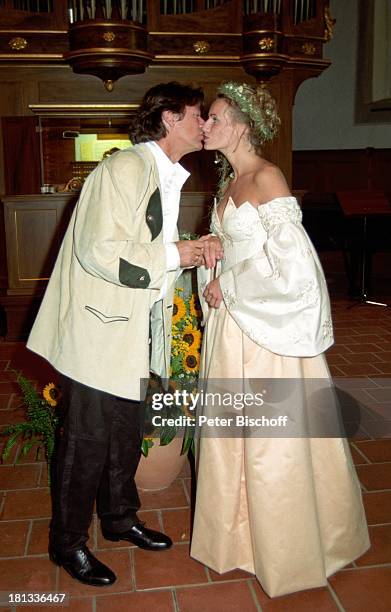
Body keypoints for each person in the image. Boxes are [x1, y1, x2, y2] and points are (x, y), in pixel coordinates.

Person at [27, 81, 212, 587]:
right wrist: (180, 254)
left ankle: (118, 517)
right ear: (170, 118)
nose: (205, 125)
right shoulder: (124, 168)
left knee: (126, 434)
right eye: (199, 115)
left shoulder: (162, 173)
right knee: (86, 441)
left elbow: (149, 246)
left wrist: (191, 253)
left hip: (132, 328)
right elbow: (101, 249)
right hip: (99, 329)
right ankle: (67, 543)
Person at [190, 82, 370, 598]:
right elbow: (233, 250)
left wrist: (233, 281)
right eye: (206, 118)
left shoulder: (267, 176)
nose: (207, 124)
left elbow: (297, 267)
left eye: (216, 117)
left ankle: (291, 547)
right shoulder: (227, 183)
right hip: (232, 328)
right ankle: (240, 540)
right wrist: (211, 257)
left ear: (243, 124)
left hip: (266, 330)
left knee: (274, 440)